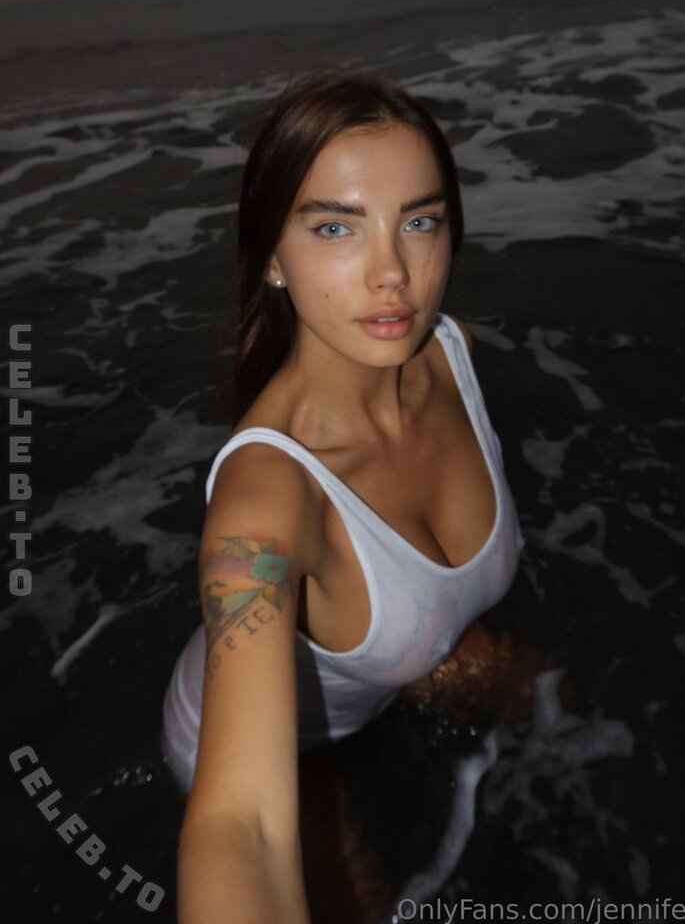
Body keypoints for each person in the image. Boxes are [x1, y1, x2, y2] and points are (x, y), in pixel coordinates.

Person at [161, 70, 525, 923]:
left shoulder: (452, 356)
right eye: (335, 227)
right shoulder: (264, 504)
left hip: (396, 665)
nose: (393, 273)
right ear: (272, 257)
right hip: (263, 741)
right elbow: (243, 826)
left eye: (420, 221)